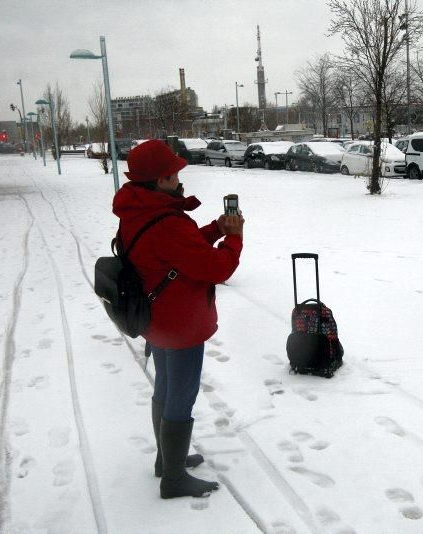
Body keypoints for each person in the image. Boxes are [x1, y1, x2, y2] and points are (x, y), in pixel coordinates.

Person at [112, 139, 244, 499]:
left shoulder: (140, 211)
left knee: (166, 389)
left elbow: (179, 252)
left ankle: (165, 460)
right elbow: (216, 266)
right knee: (181, 396)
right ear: (160, 180)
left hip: (158, 320)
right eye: (174, 174)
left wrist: (216, 230)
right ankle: (173, 477)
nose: (179, 178)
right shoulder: (167, 222)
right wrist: (233, 239)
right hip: (180, 323)